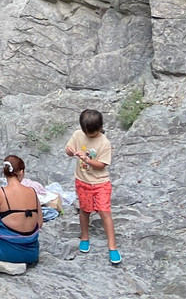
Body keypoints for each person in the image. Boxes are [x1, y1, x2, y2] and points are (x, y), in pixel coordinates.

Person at [66, 108, 120, 264]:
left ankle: (112, 246)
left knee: (104, 212)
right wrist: (70, 151)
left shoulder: (104, 142)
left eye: (94, 133)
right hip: (82, 181)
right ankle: (84, 236)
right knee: (84, 210)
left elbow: (102, 164)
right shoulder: (77, 135)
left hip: (100, 182)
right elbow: (69, 150)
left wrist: (87, 160)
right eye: (88, 133)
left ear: (100, 127)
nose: (90, 136)